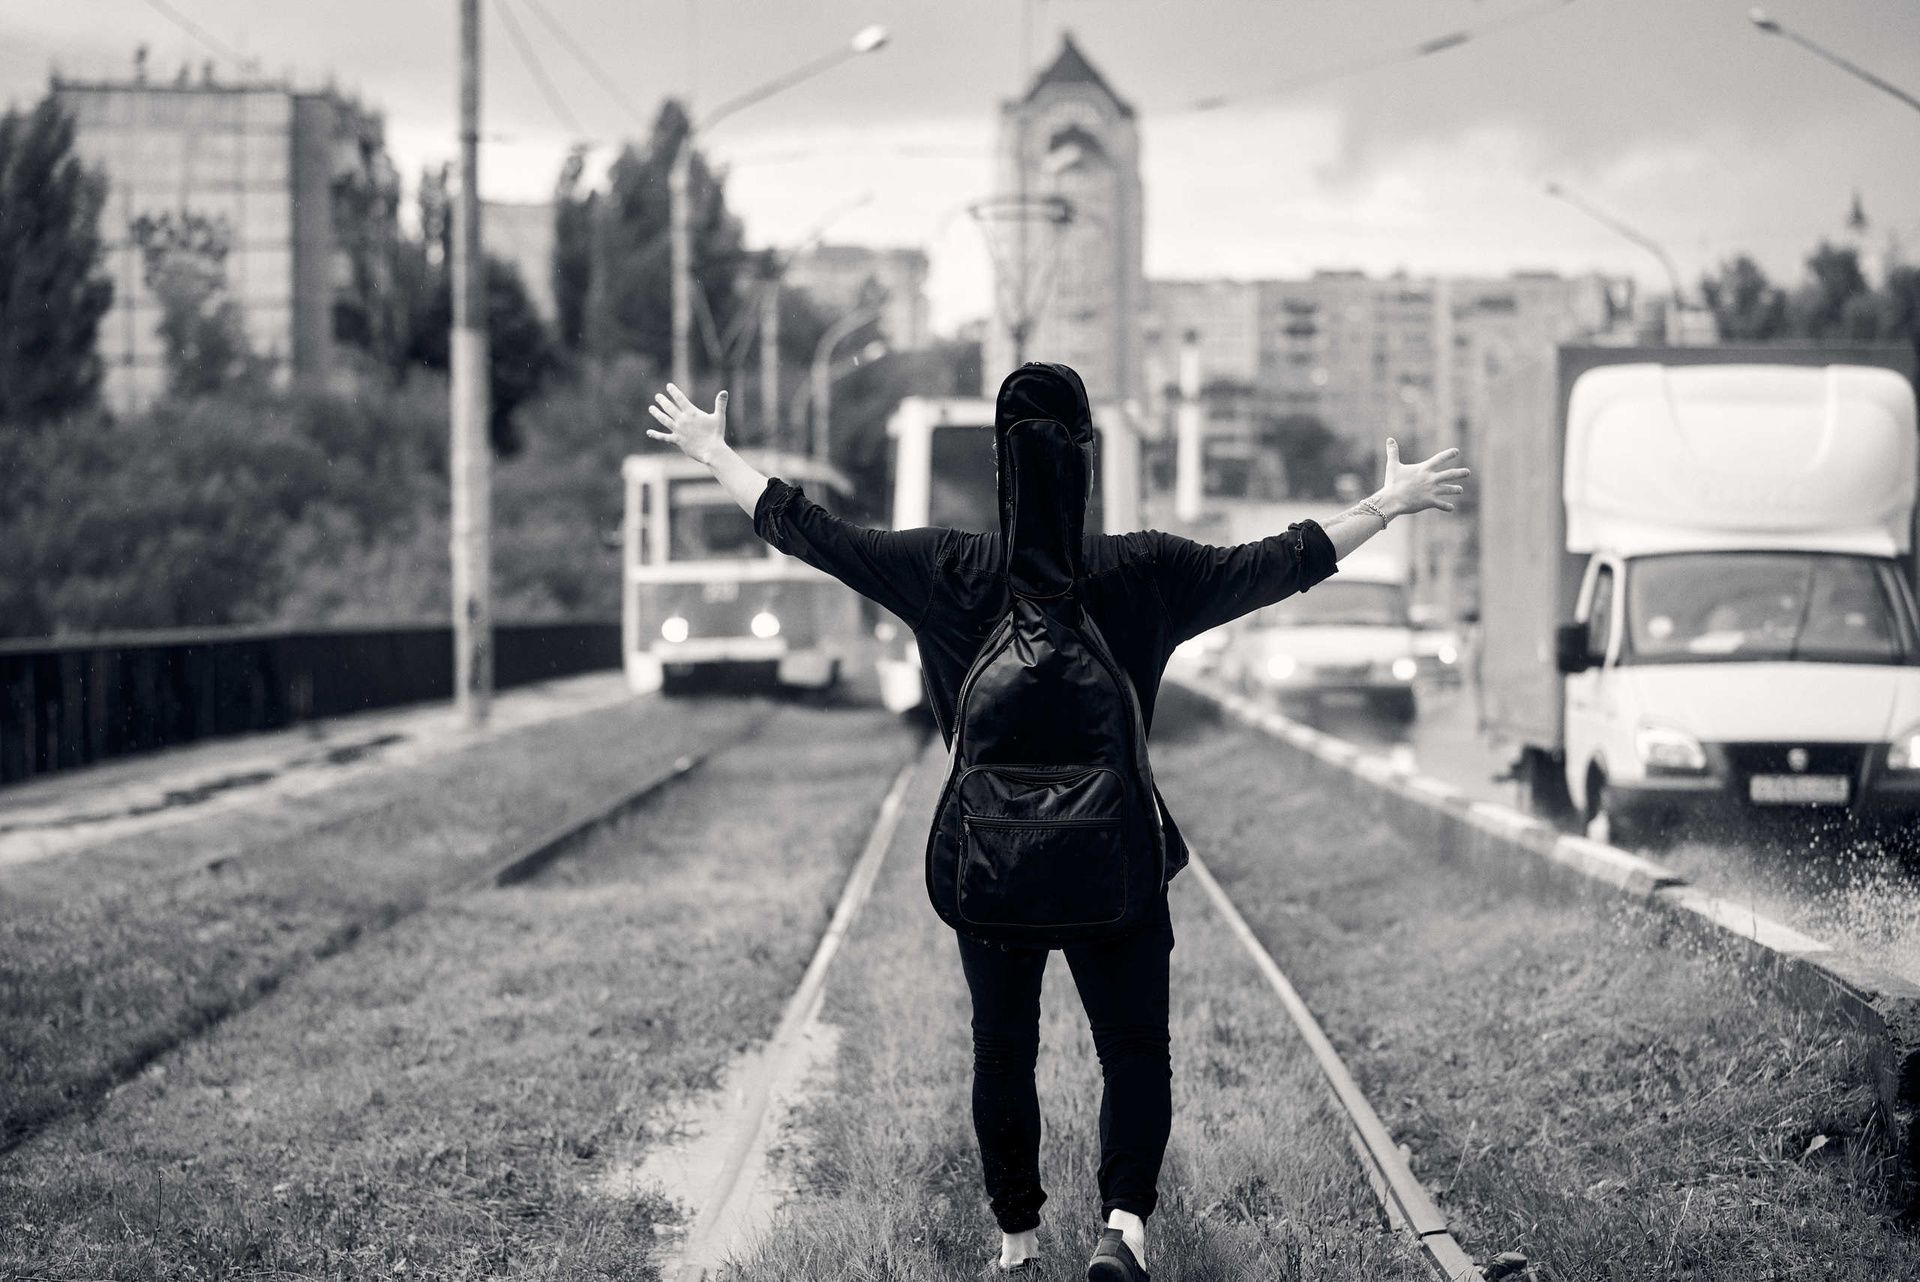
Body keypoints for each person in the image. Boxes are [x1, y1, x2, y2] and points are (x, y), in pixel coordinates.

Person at [647, 364, 1469, 1281]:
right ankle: (1123, 1227)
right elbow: (1280, 562)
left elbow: (808, 530)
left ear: (1001, 467)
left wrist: (713, 452)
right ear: (1089, 461)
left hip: (989, 865)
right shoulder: (1145, 569)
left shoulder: (945, 568)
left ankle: (1017, 1245)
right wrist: (1387, 505)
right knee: (1133, 1050)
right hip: (1117, 861)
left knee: (1003, 1050)